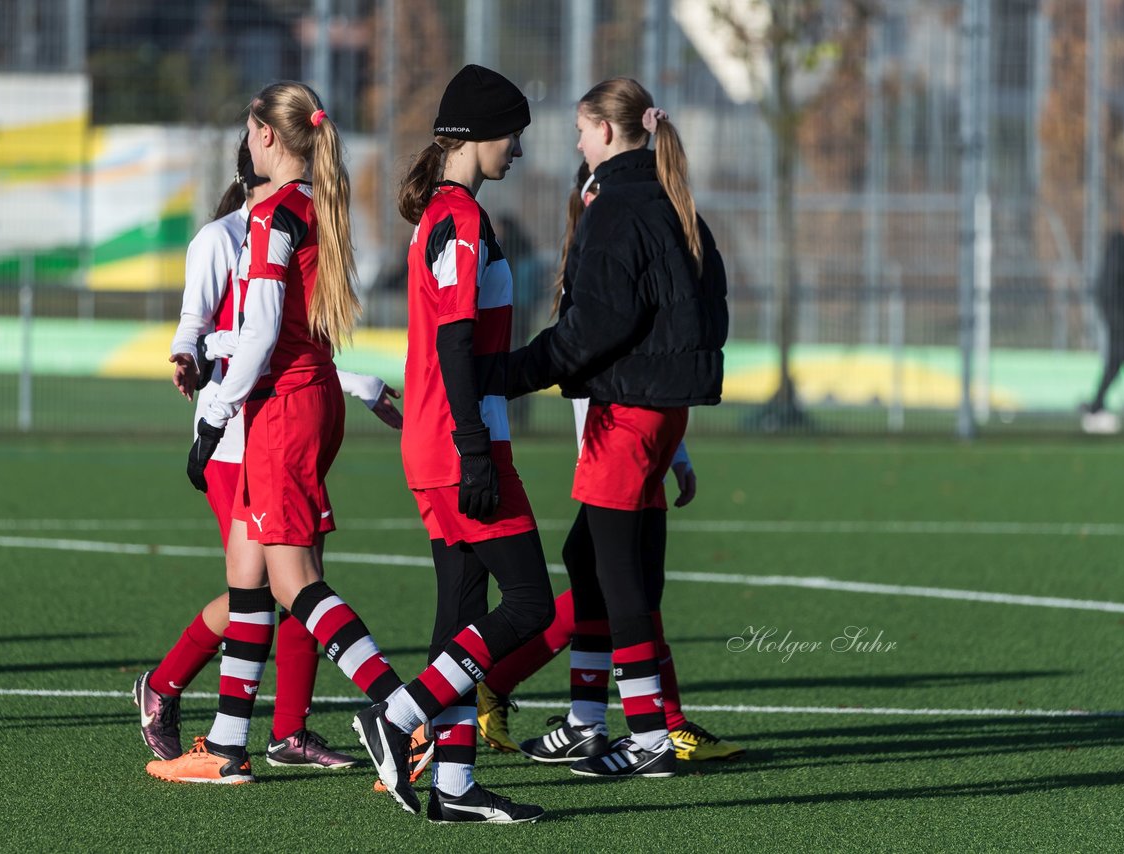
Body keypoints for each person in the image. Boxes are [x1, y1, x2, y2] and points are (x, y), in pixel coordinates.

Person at [146, 82, 543, 820]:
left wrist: (214, 415)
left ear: (266, 136)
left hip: (281, 410)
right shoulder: (316, 208)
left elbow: (264, 335)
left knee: (293, 583)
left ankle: (397, 711)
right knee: (253, 575)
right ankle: (231, 740)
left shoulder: (270, 216)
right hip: (309, 399)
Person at [482, 78, 728, 779]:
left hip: (628, 409)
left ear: (608, 131)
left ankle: (648, 734)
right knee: (590, 556)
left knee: (619, 573)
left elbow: (593, 327)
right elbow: (705, 310)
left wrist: (506, 371)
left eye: (583, 131)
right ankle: (588, 720)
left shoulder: (617, 206)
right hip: (653, 406)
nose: (578, 143)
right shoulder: (670, 200)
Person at [134, 133, 403, 771]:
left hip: (271, 417)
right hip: (247, 423)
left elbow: (273, 343)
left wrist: (348, 383)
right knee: (266, 583)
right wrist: (193, 365)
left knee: (278, 582)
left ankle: (269, 735)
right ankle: (207, 717)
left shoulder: (284, 219)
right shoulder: (231, 233)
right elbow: (201, 330)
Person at [392, 64, 556, 823]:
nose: (517, 148)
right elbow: (457, 344)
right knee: (528, 603)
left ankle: (452, 787)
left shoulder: (447, 213)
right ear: (478, 134)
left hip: (444, 444)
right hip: (461, 446)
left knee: (461, 616)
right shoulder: (458, 217)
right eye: (512, 133)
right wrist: (475, 448)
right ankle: (397, 718)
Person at [1083, 214, 1124, 431]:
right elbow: (1113, 287)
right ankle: (1095, 407)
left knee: (1115, 362)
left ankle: (1096, 405)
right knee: (1116, 361)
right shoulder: (1120, 247)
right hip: (1120, 316)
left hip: (1120, 315)